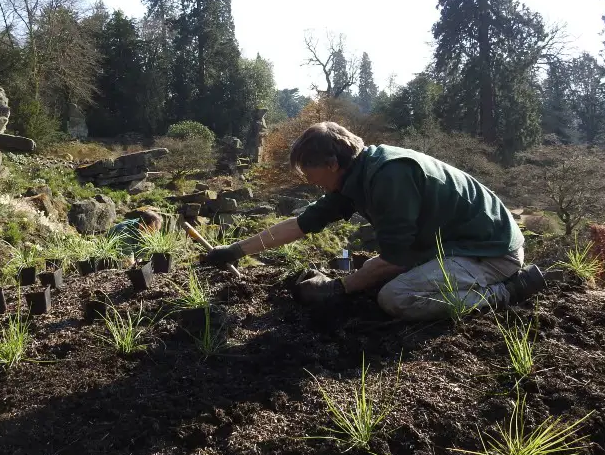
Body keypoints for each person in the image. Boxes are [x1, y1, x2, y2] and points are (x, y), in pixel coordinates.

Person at [200, 121, 545, 321]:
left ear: (333, 163)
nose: (308, 179)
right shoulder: (358, 176)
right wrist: (233, 252)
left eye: (309, 170)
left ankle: (507, 290)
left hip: (490, 253)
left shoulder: (389, 176)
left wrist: (338, 287)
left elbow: (394, 259)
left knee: (395, 297)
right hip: (456, 247)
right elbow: (301, 224)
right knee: (379, 281)